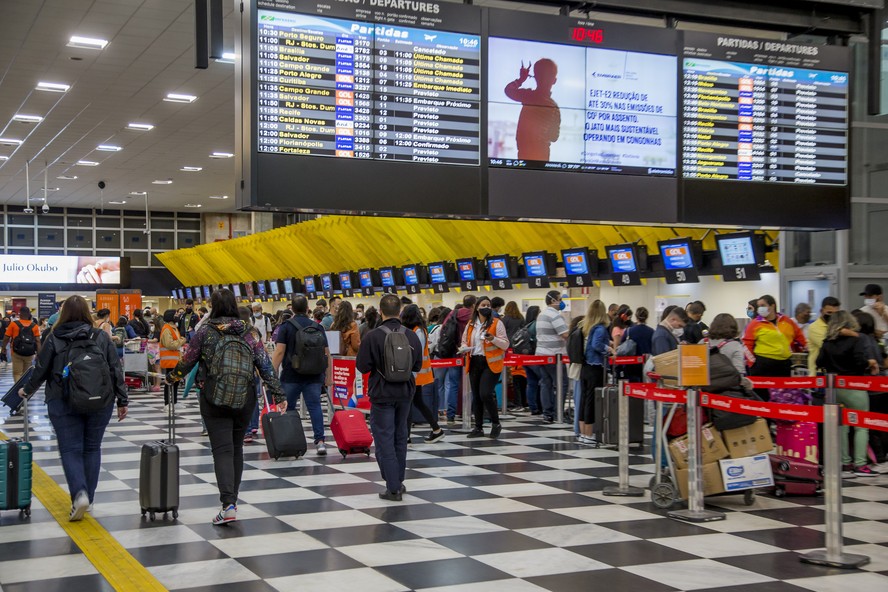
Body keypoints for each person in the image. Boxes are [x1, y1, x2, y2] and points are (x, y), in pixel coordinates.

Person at [169, 288, 286, 524]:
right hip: (245, 398)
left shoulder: (206, 332)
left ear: (213, 306)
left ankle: (228, 504)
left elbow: (187, 361)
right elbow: (264, 365)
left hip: (214, 398)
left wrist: (173, 377)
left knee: (222, 450)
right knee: (236, 448)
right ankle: (233, 500)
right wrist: (278, 393)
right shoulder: (250, 332)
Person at [19, 295, 127, 521]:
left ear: (63, 312)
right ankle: (89, 498)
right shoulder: (100, 336)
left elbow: (41, 370)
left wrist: (27, 391)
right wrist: (122, 400)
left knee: (70, 449)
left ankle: (79, 494)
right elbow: (115, 368)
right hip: (100, 400)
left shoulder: (53, 337)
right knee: (92, 447)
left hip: (62, 399)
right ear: (88, 313)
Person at [355, 294, 422, 501]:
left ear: (380, 311)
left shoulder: (373, 336)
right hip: (405, 393)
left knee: (384, 439)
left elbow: (362, 366)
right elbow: (417, 366)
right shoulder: (411, 336)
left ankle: (392, 487)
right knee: (400, 436)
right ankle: (398, 481)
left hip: (382, 393)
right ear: (400, 311)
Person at [816, 310, 878, 477]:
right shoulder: (855, 340)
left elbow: (819, 362)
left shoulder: (827, 342)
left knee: (842, 426)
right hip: (854, 386)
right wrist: (869, 363)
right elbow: (859, 361)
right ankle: (860, 464)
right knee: (861, 426)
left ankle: (845, 463)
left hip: (834, 388)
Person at [272, 296, 331, 456]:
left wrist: (270, 373)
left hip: (291, 375)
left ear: (292, 309)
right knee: (315, 407)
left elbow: (279, 352)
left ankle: (289, 441)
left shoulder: (286, 327)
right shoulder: (317, 327)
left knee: (288, 408)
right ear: (307, 309)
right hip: (313, 375)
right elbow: (326, 354)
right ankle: (320, 442)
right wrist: (328, 376)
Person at [743, 295, 807, 400]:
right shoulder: (755, 323)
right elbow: (746, 344)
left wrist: (806, 346)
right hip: (763, 365)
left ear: (772, 306)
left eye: (763, 305)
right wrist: (752, 363)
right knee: (763, 397)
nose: (760, 308)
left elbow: (799, 336)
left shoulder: (787, 321)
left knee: (783, 396)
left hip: (784, 364)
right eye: (759, 306)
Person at [462, 296, 509, 438]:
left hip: (491, 363)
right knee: (476, 396)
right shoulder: (471, 324)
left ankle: (496, 422)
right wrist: (464, 347)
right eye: (483, 305)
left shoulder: (497, 323)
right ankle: (478, 427)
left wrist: (493, 338)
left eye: (488, 305)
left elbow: (505, 344)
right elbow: (464, 340)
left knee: (485, 393)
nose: (486, 307)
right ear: (477, 307)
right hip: (474, 362)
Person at [400, 305, 445, 443]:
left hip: (415, 373)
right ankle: (436, 430)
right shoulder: (416, 330)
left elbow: (415, 353)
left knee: (408, 403)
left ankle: (406, 437)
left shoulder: (418, 331)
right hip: (418, 373)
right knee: (418, 402)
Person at [504, 58, 560, 161]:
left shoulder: (528, 96)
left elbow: (508, 90)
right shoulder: (554, 108)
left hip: (524, 156)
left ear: (535, 77)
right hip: (543, 158)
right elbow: (554, 137)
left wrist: (521, 79)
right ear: (554, 81)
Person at [578, 300, 611, 445]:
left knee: (584, 399)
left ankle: (583, 433)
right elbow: (596, 345)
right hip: (595, 366)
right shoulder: (600, 328)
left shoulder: (585, 326)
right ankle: (589, 433)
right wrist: (609, 349)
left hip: (585, 366)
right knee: (591, 400)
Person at [535, 290, 569, 424]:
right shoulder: (555, 315)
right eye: (560, 299)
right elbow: (565, 334)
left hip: (541, 354)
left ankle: (547, 413)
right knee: (562, 384)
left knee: (545, 383)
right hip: (554, 355)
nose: (562, 302)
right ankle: (557, 412)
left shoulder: (542, 314)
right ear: (553, 301)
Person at [159, 310, 187, 413]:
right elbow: (170, 344)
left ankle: (174, 401)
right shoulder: (166, 329)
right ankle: (167, 403)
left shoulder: (174, 328)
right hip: (169, 360)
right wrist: (182, 341)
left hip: (176, 360)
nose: (177, 316)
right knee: (169, 382)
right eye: (176, 314)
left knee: (176, 382)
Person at [3, 306, 40, 382]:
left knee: (17, 373)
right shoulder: (35, 326)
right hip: (29, 352)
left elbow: (6, 337)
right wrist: (39, 353)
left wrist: (3, 348)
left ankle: (17, 390)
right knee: (26, 373)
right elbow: (38, 341)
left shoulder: (13, 324)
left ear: (20, 314)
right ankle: (24, 390)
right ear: (29, 314)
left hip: (16, 352)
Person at [502, 302, 527, 409]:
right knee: (520, 374)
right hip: (519, 348)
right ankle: (523, 401)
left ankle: (511, 400)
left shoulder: (505, 319)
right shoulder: (521, 318)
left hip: (507, 348)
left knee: (509, 375)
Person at [806, 297, 841, 376]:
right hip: (819, 372)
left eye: (836, 313)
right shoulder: (814, 327)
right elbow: (829, 347)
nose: (832, 316)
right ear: (821, 311)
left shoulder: (839, 326)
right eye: (829, 312)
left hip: (835, 371)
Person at [620, 307, 655, 383]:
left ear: (636, 316)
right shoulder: (652, 331)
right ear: (647, 317)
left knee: (633, 387)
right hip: (647, 364)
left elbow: (621, 345)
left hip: (631, 365)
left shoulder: (629, 331)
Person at [524, 305, 542, 415]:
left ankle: (533, 407)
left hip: (525, 358)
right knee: (543, 380)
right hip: (535, 357)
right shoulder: (537, 325)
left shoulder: (527, 325)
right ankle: (541, 406)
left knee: (531, 383)